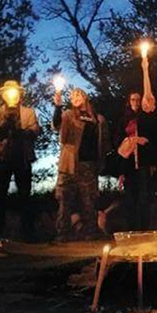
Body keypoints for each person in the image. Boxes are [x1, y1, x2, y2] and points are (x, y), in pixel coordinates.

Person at [53, 87, 111, 241]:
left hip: (89, 166)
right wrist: (57, 107)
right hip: (69, 164)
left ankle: (90, 233)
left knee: (89, 201)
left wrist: (101, 162)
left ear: (85, 97)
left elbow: (104, 143)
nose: (75, 97)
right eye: (72, 96)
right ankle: (63, 234)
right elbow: (57, 125)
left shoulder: (98, 120)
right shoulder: (68, 116)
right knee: (65, 201)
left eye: (78, 94)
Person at [0, 80, 41, 238]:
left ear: (19, 95)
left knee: (25, 195)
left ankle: (27, 232)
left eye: (15, 92)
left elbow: (35, 130)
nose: (12, 95)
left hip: (22, 158)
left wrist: (21, 132)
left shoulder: (28, 112)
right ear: (3, 95)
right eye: (9, 92)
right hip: (2, 158)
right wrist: (5, 123)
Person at [115, 57, 157, 230]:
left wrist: (145, 69)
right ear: (128, 101)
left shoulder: (146, 117)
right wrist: (131, 140)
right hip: (128, 163)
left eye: (138, 100)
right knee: (130, 197)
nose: (135, 102)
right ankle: (131, 229)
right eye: (132, 100)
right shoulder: (123, 120)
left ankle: (145, 229)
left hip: (144, 163)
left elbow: (152, 138)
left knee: (144, 196)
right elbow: (117, 142)